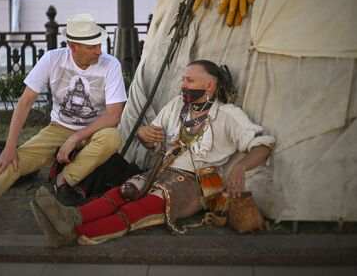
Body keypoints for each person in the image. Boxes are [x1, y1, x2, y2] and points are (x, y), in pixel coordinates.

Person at [30, 59, 275, 247]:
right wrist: (144, 135)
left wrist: (241, 167)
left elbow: (262, 144)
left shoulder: (228, 116)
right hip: (160, 171)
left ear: (209, 85)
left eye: (189, 80)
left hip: (194, 183)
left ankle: (72, 234)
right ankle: (69, 217)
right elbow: (153, 140)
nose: (183, 85)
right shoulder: (177, 106)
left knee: (138, 208)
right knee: (120, 193)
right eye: (183, 79)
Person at [0, 13, 127, 224]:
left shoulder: (110, 65)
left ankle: (63, 181)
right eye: (92, 47)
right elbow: (25, 102)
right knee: (13, 161)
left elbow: (114, 115)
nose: (99, 51)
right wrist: (10, 146)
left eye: (99, 44)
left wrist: (75, 138)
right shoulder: (52, 59)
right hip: (58, 128)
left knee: (112, 137)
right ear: (73, 46)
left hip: (95, 130)